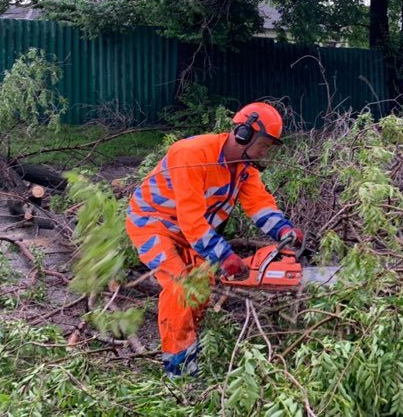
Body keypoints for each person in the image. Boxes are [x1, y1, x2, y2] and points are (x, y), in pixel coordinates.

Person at [125, 101, 303, 376]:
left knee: (203, 285)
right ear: (244, 133)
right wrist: (224, 255)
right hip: (152, 222)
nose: (266, 151)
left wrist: (283, 231)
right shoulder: (192, 154)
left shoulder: (244, 168)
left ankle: (189, 349)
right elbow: (191, 217)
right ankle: (178, 369)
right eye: (265, 144)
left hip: (190, 231)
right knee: (180, 286)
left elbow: (259, 204)